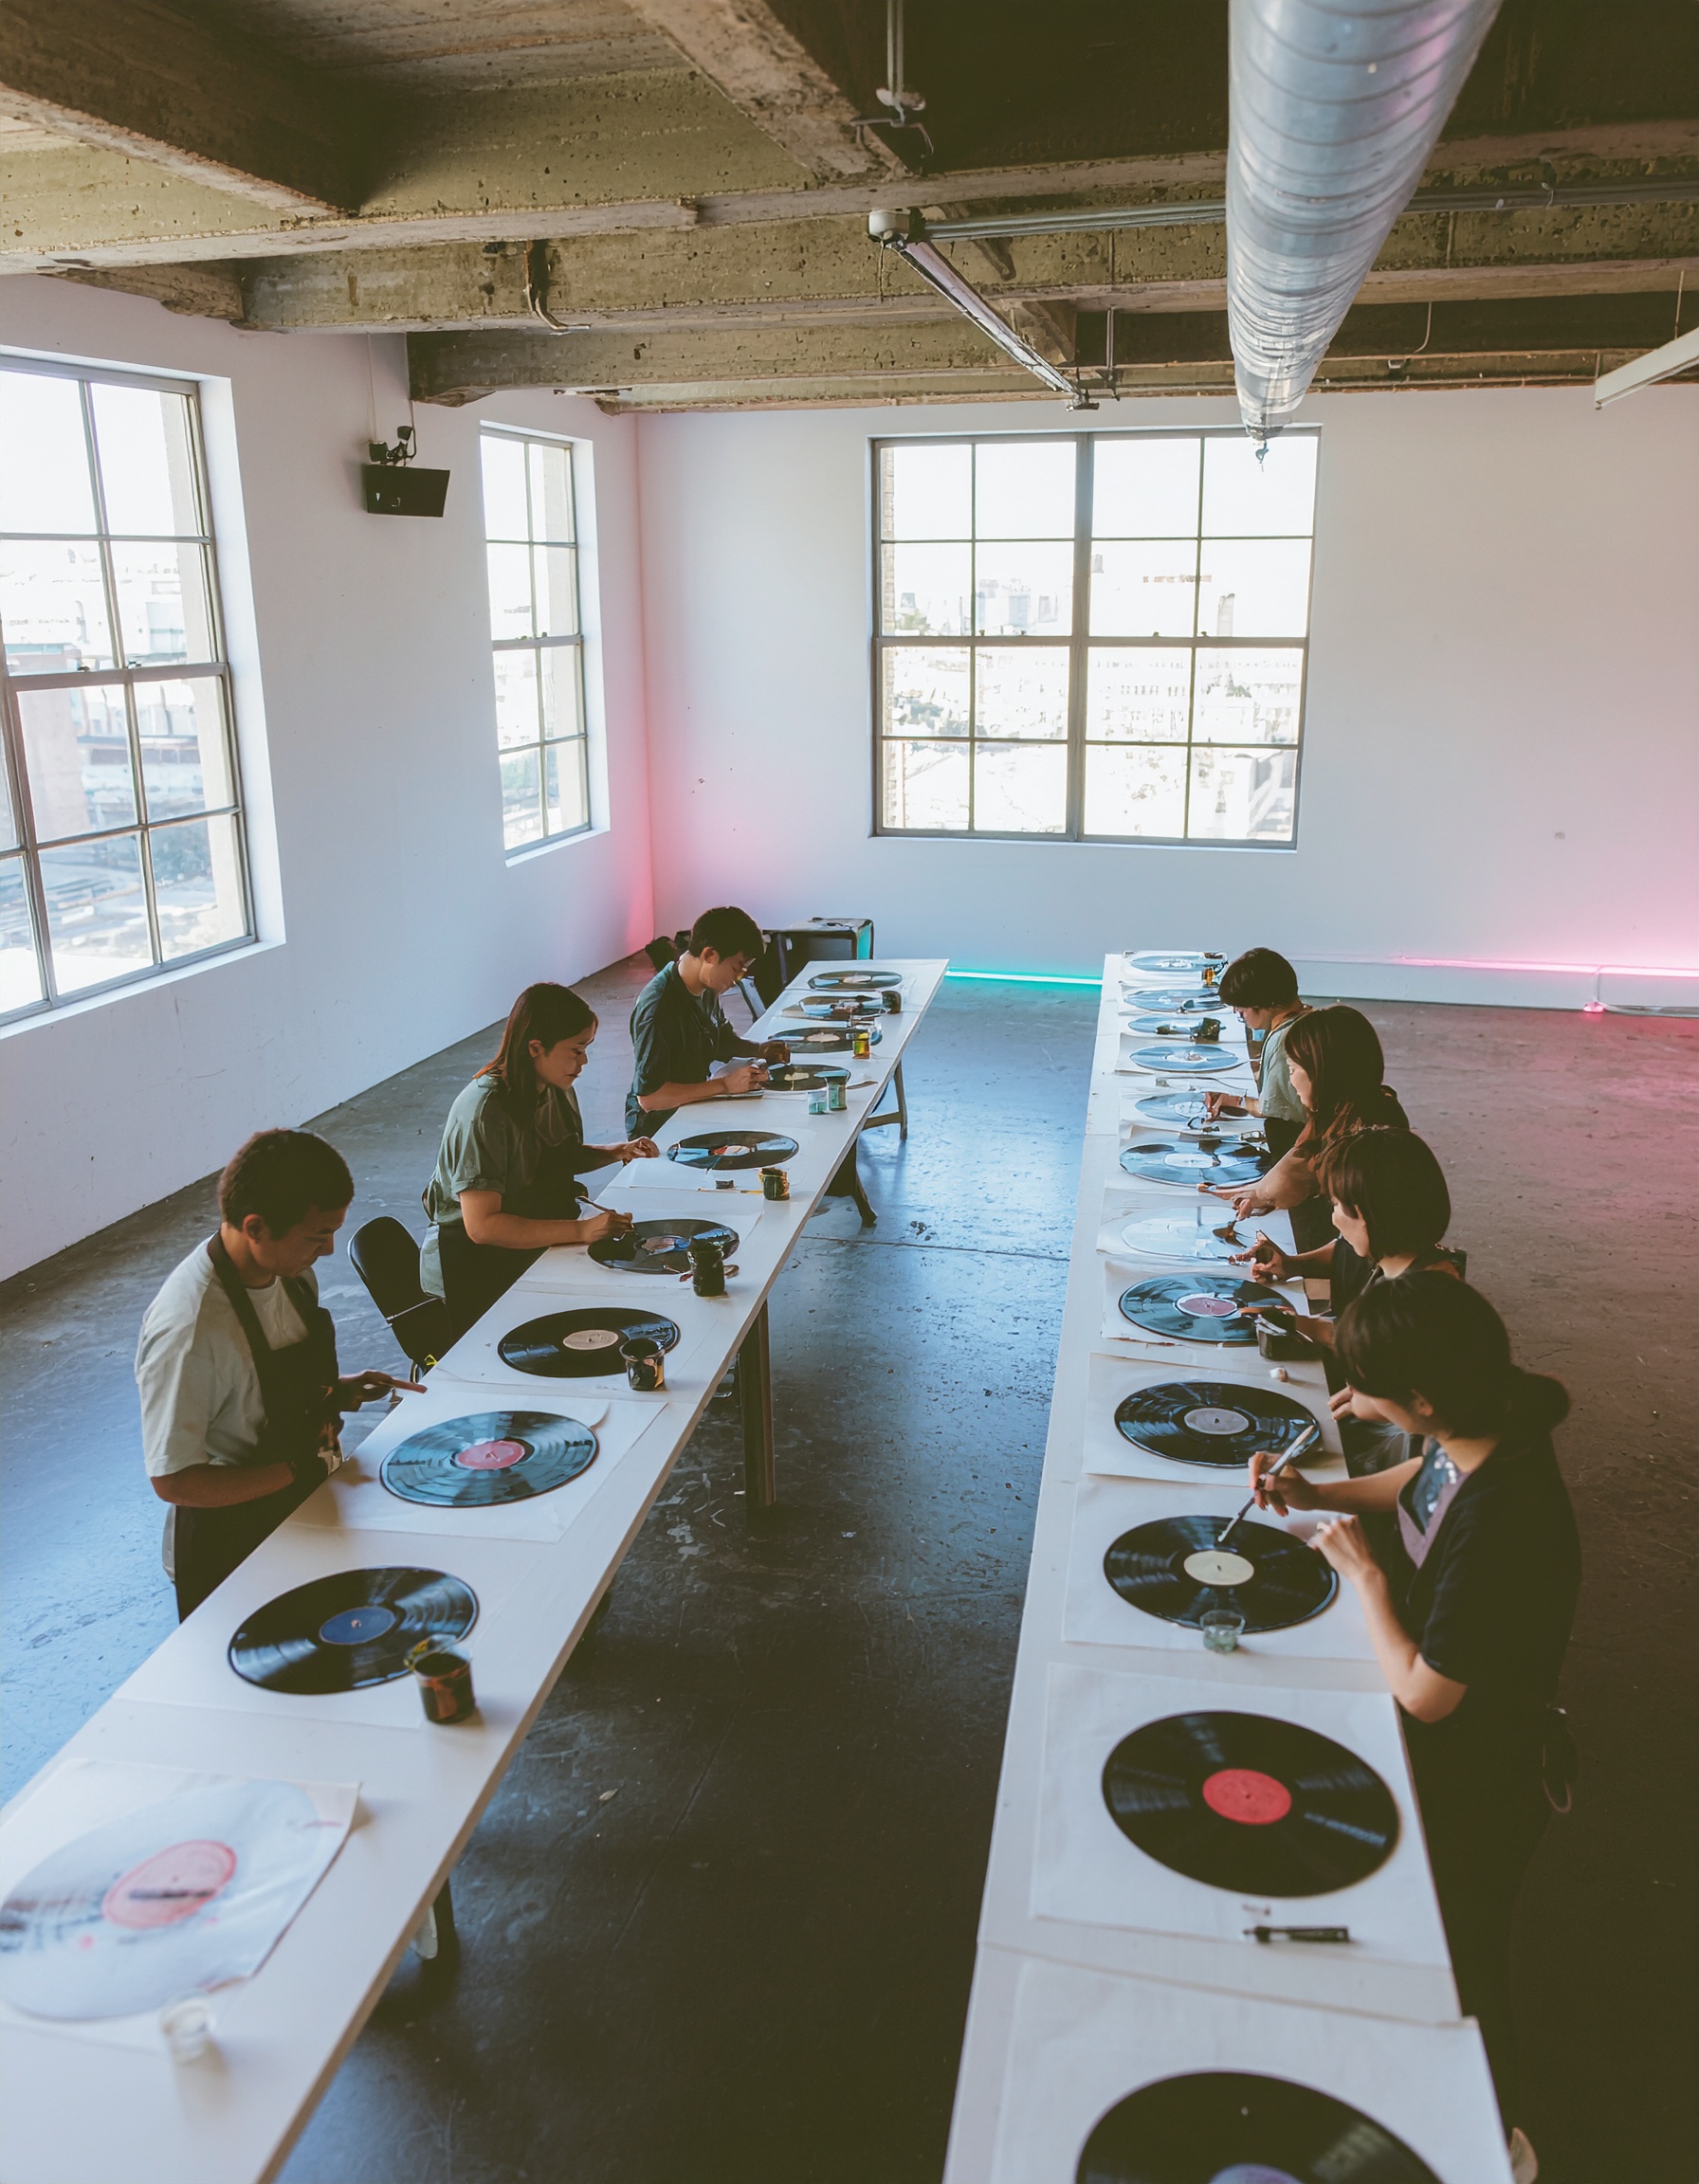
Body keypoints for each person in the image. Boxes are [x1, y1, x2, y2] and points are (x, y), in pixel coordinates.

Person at [1249, 1274, 1580, 2178]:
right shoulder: (1481, 1421)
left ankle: (1494, 2140)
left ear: (1424, 1398)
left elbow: (1428, 1693)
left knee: (1464, 1956)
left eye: (1371, 1385)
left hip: (1482, 1773)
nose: (1356, 1397)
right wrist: (1320, 1489)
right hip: (1456, 1743)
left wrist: (1366, 1582)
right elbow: (1417, 1479)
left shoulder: (1507, 1517)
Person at [137, 1129, 419, 1621]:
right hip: (235, 1542)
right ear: (256, 1227)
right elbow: (174, 1479)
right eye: (317, 1236)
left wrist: (339, 1391)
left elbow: (260, 1385)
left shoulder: (289, 1271)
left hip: (302, 1499)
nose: (330, 1250)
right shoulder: (190, 1329)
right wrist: (293, 1472)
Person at [422, 982, 656, 1339]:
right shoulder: (484, 1111)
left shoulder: (554, 1087)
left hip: (528, 1228)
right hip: (474, 1261)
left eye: (586, 1049)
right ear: (535, 1047)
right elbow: (482, 1226)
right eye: (576, 1050)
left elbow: (556, 1157)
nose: (584, 1061)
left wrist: (616, 1151)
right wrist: (579, 1231)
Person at [1209, 1003, 1408, 1249]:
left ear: (1324, 1072)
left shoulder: (1369, 1133)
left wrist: (1257, 1194)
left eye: (1293, 1070)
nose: (1291, 1082)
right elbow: (1295, 1163)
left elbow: (1363, 1250)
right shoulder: (1337, 1110)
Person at [627, 906, 791, 1138]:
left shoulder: (705, 988)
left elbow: (720, 1039)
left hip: (695, 1105)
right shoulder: (659, 1008)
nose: (736, 980)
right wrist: (724, 1086)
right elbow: (650, 1098)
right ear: (710, 955)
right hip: (660, 1129)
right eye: (736, 968)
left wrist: (759, 1049)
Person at [1202, 947, 1312, 1159]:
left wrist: (1238, 1102)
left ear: (1266, 1005)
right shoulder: (1307, 1018)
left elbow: (1276, 1109)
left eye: (1241, 1011)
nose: (1238, 1014)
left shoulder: (1285, 1043)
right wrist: (1233, 1100)